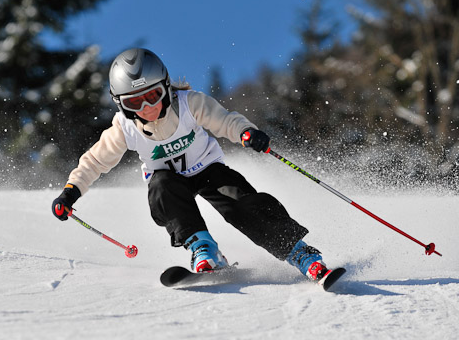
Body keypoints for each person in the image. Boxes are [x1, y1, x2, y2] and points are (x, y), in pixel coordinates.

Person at [52, 48, 334, 284]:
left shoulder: (189, 104)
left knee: (242, 204)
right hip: (169, 180)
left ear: (165, 87)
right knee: (161, 188)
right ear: (122, 105)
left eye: (153, 96)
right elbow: (95, 161)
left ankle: (300, 253)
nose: (147, 107)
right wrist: (70, 191)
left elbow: (225, 121)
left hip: (208, 170)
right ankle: (204, 248)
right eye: (135, 102)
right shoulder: (124, 128)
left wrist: (246, 133)